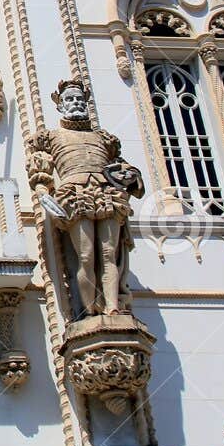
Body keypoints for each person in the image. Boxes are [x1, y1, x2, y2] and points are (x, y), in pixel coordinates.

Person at [27, 79, 144, 317]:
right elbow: (39, 172)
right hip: (74, 193)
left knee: (109, 254)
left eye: (80, 99)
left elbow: (120, 168)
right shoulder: (51, 137)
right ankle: (91, 310)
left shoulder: (104, 139)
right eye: (70, 99)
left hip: (106, 193)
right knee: (86, 255)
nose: (76, 103)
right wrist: (44, 196)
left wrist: (131, 177)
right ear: (60, 105)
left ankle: (111, 306)